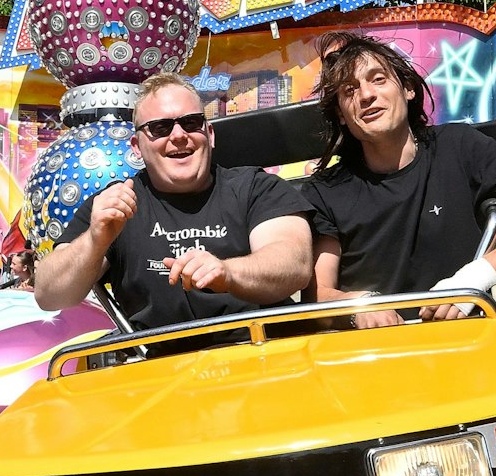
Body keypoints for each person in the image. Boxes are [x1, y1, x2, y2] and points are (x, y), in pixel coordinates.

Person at [303, 33, 496, 328]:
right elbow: (318, 295)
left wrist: (470, 282)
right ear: (341, 115)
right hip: (376, 357)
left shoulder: (459, 145)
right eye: (349, 90)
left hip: (479, 340)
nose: (366, 95)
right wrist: (357, 306)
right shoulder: (323, 191)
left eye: (378, 79)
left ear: (407, 88)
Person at [37, 73, 313, 331]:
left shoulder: (255, 187)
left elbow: (293, 264)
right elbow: (49, 295)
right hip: (159, 363)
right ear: (136, 147)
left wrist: (228, 272)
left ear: (210, 135)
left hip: (262, 351)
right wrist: (94, 241)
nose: (179, 135)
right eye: (160, 127)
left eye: (191, 122)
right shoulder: (114, 204)